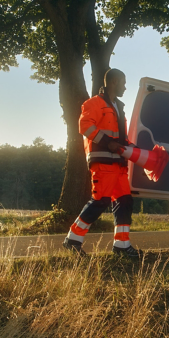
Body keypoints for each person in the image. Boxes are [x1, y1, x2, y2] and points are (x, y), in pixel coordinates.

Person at [62, 68, 148, 257]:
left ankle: (122, 246)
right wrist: (107, 142)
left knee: (125, 201)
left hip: (118, 164)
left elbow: (120, 138)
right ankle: (72, 240)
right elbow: (84, 126)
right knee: (100, 200)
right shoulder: (94, 103)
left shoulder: (118, 107)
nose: (125, 87)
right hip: (103, 162)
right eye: (124, 83)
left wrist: (134, 150)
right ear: (114, 82)